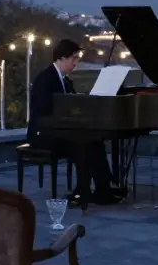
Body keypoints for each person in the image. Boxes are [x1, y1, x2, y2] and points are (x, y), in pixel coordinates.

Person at [27, 39, 121, 205]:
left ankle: (103, 189)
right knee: (83, 145)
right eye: (74, 58)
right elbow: (43, 109)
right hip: (44, 134)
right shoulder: (45, 79)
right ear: (62, 58)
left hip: (61, 131)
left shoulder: (66, 81)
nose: (76, 63)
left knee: (95, 142)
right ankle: (82, 192)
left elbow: (73, 106)